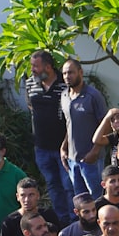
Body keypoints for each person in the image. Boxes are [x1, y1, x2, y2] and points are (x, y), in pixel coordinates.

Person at [25, 50, 74, 224]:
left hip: (64, 148)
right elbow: (31, 107)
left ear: (48, 67)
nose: (32, 70)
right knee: (53, 186)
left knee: (69, 186)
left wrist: (66, 144)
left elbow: (71, 116)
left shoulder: (65, 84)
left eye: (35, 66)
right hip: (42, 148)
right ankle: (62, 223)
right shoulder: (30, 83)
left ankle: (74, 223)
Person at [60, 59, 107, 198]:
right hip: (72, 159)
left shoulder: (93, 96)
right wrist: (63, 148)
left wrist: (95, 152)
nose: (67, 76)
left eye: (71, 72)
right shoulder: (64, 96)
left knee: (96, 197)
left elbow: (106, 127)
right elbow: (70, 124)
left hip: (92, 159)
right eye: (64, 73)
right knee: (80, 200)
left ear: (80, 72)